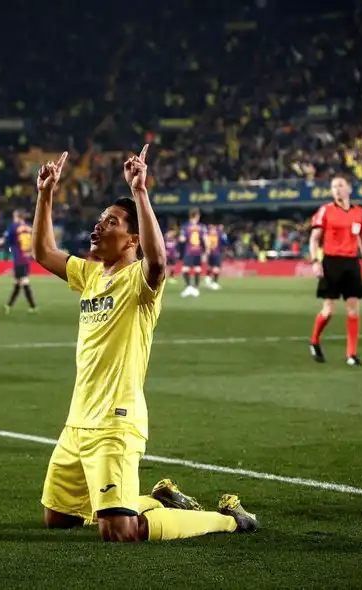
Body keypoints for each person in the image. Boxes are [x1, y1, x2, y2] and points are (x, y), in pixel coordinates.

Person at [31, 146, 258, 543]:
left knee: (119, 532)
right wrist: (45, 194)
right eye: (100, 220)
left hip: (115, 423)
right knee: (58, 519)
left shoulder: (140, 281)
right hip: (77, 421)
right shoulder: (90, 275)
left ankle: (228, 519)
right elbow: (43, 252)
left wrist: (140, 192)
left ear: (132, 238)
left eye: (111, 222)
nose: (99, 227)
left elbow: (158, 261)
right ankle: (158, 499)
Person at [308, 173, 362, 366]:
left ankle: (351, 354)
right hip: (331, 263)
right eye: (334, 186)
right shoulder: (325, 211)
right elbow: (314, 238)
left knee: (353, 309)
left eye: (340, 185)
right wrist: (315, 261)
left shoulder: (359, 213)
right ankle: (314, 341)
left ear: (349, 189)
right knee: (328, 310)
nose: (336, 189)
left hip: (351, 263)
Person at [0, 210, 38, 314]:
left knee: (24, 282)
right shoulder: (29, 228)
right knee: (17, 282)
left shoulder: (14, 226)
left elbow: (4, 239)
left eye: (14, 216)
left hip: (19, 258)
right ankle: (9, 306)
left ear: (17, 217)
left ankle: (33, 306)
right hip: (27, 257)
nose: (13, 218)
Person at [178, 209, 207, 297]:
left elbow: (181, 239)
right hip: (198, 250)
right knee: (197, 268)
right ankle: (196, 289)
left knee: (185, 269)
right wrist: (206, 251)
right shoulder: (202, 226)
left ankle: (189, 287)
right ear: (197, 216)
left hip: (189, 251)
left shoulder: (185, 226)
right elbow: (205, 240)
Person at [203, 223, 228, 290]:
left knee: (210, 266)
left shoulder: (207, 233)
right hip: (217, 253)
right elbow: (225, 242)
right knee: (217, 268)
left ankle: (207, 279)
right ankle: (214, 283)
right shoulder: (220, 234)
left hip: (209, 252)